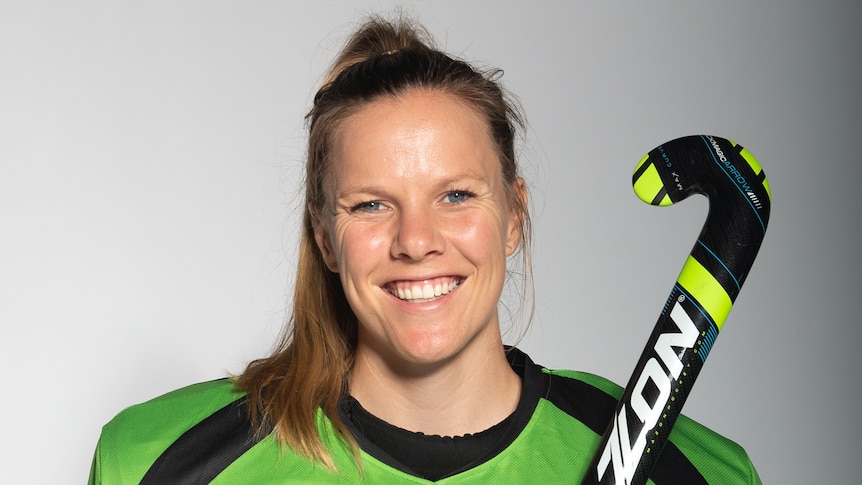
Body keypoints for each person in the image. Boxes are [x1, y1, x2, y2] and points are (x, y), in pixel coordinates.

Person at [89, 15, 762, 484]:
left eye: (457, 196)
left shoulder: (698, 473)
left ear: (514, 216)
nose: (416, 241)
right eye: (372, 204)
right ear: (325, 236)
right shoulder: (159, 463)